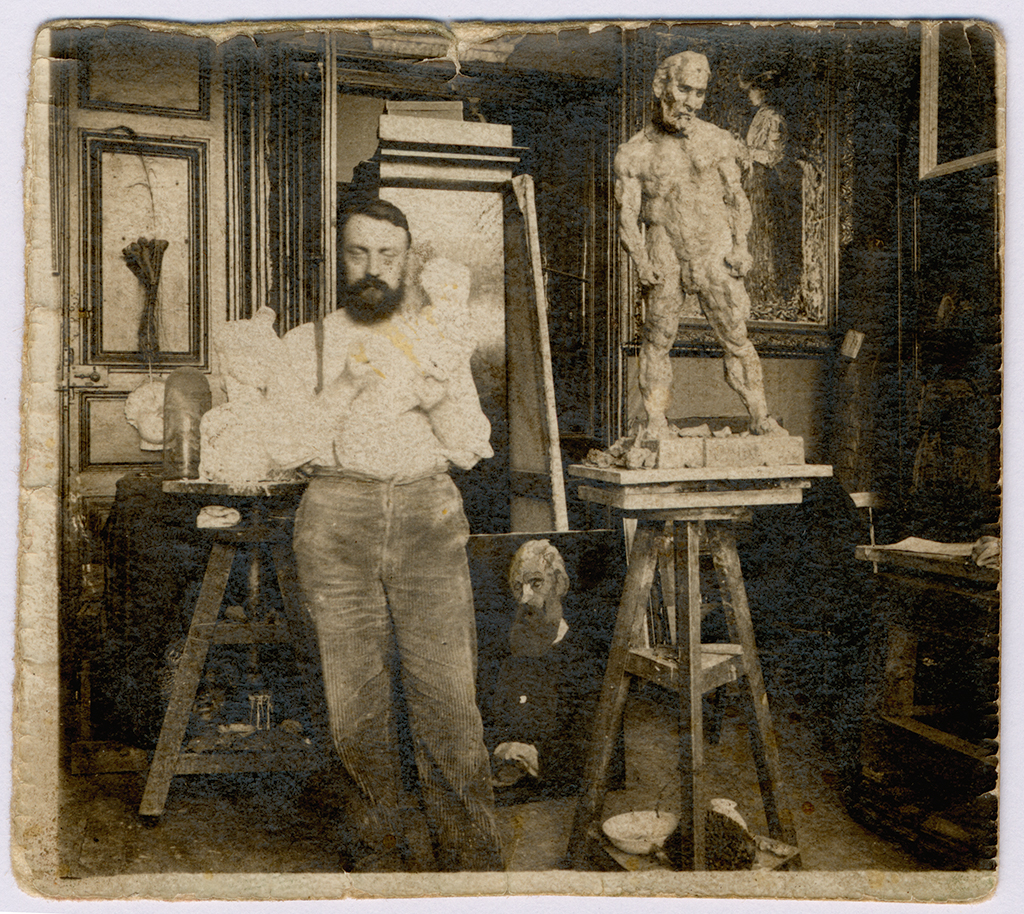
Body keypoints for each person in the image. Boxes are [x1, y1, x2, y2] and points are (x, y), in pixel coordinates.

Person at [290, 198, 503, 872]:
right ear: (339, 257)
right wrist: (343, 391)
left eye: (388, 254)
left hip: (426, 513)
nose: (373, 268)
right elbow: (278, 447)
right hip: (335, 516)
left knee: (448, 699)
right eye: (359, 253)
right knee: (355, 709)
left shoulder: (437, 339)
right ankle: (385, 867)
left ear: (408, 260)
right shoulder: (309, 342)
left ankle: (472, 872)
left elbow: (474, 446)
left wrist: (435, 394)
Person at [614, 51, 781, 437]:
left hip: (713, 246)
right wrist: (640, 258)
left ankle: (760, 417)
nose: (691, 102)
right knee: (657, 337)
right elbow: (628, 216)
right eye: (684, 89)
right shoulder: (634, 152)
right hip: (664, 246)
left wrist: (741, 246)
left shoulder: (719, 142)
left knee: (736, 336)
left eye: (700, 93)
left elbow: (737, 199)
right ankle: (656, 422)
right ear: (661, 87)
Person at [483, 540, 602, 800]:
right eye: (518, 587)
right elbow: (482, 722)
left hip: (559, 800)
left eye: (536, 583)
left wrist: (531, 757)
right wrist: (501, 748)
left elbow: (591, 749)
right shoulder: (500, 654)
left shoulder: (582, 659)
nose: (525, 598)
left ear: (559, 585)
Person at [741, 71, 801, 306]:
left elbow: (775, 156)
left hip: (767, 182)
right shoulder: (761, 116)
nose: (750, 95)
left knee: (766, 233)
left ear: (764, 92)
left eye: (753, 90)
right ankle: (753, 287)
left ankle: (770, 290)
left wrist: (746, 152)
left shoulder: (774, 118)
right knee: (751, 231)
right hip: (754, 181)